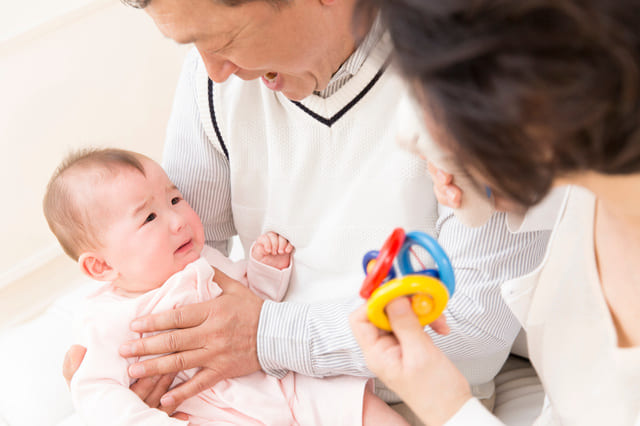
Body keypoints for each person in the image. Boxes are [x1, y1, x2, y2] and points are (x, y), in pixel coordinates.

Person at [63, 0, 553, 420]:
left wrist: (266, 336)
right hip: (253, 392)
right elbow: (177, 254)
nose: (213, 69)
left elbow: (475, 328)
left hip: (406, 399)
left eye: (223, 39)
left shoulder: (467, 78)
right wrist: (115, 362)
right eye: (194, 44)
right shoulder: (214, 82)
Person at [351, 0, 640, 425]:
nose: (409, 134)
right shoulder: (591, 189)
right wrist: (490, 175)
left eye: (430, 89)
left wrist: (446, 407)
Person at [45, 148, 406, 425]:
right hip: (210, 411)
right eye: (150, 217)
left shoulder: (205, 262)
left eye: (175, 200)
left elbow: (254, 307)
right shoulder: (106, 319)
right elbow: (96, 392)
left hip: (279, 381)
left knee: (351, 401)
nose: (177, 220)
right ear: (102, 265)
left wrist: (266, 270)